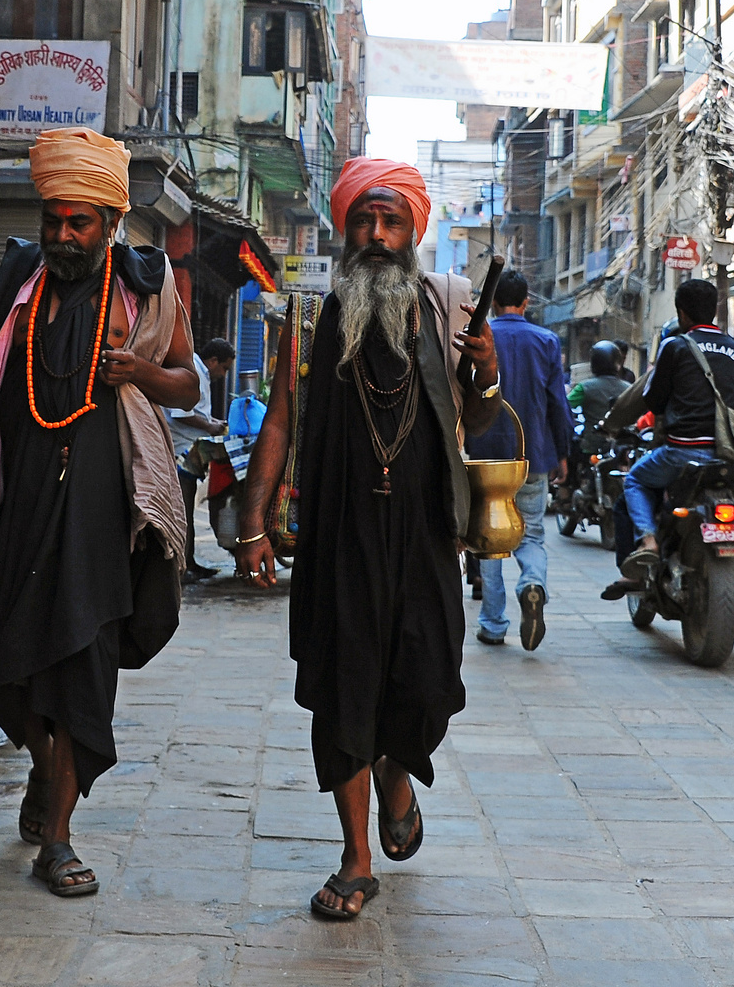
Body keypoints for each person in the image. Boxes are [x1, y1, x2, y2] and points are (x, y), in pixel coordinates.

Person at [0, 127, 200, 898]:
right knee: (12, 658)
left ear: (111, 222)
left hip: (101, 514)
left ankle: (62, 837)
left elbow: (190, 386)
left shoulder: (145, 285)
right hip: (22, 505)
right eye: (55, 220)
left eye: (79, 222)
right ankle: (44, 775)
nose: (63, 235)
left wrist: (142, 370)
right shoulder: (20, 277)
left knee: (82, 665)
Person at [233, 157, 500, 920]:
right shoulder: (308, 318)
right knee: (343, 693)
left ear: (413, 231)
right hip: (337, 537)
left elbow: (477, 422)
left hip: (423, 537)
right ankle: (354, 859)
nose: (377, 235)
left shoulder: (447, 311)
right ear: (345, 228)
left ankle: (396, 769)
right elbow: (281, 418)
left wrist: (482, 375)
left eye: (391, 222)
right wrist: (252, 521)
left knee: (425, 684)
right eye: (364, 220)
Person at [601, 279, 734, 600]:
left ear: (682, 313)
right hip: (729, 457)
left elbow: (655, 401)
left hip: (681, 454)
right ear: (715, 311)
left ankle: (648, 541)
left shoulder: (674, 347)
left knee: (634, 480)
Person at [465, 270, 573, 650]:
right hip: (531, 456)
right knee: (532, 534)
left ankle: (493, 624)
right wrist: (562, 453)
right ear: (526, 302)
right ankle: (532, 584)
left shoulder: (478, 337)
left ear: (492, 302)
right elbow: (557, 404)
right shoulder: (545, 340)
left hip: (483, 456)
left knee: (487, 537)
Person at [168, 337, 236, 581]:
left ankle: (189, 562)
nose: (224, 373)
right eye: (225, 367)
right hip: (181, 453)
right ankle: (181, 566)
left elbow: (197, 413)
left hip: (190, 451)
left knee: (187, 511)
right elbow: (180, 414)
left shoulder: (201, 375)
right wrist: (209, 427)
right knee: (183, 513)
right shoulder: (194, 372)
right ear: (213, 360)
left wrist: (215, 424)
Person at [569, 339, 630, 457]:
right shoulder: (629, 388)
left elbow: (564, 406)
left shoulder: (584, 387)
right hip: (621, 448)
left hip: (591, 447)